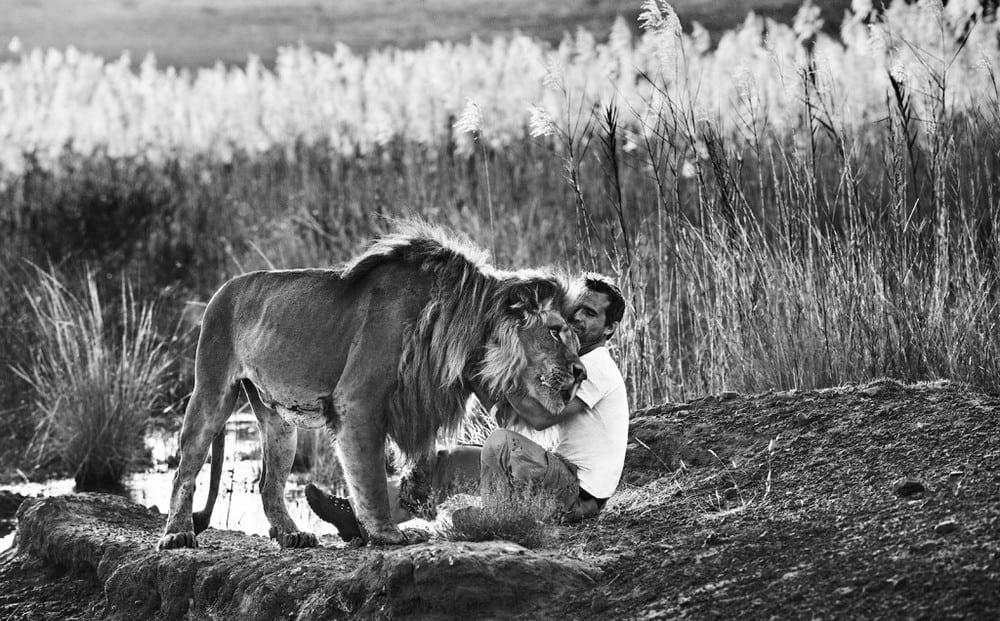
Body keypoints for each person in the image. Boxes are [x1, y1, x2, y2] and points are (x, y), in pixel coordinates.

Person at [306, 272, 629, 539]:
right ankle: (358, 516)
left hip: (577, 496)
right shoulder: (566, 360)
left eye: (591, 313)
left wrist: (492, 366)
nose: (577, 318)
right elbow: (512, 413)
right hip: (554, 470)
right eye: (577, 309)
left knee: (501, 445)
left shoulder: (598, 366)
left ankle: (496, 522)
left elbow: (541, 418)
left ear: (610, 328)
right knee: (446, 464)